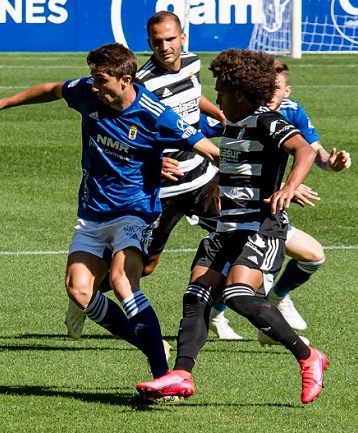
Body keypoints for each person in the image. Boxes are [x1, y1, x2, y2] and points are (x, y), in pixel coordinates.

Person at [0, 43, 220, 394]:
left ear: (126, 80)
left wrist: (252, 185)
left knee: (123, 283)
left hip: (135, 212)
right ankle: (151, 343)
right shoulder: (88, 93)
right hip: (92, 213)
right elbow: (52, 89)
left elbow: (210, 150)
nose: (93, 86)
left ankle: (162, 375)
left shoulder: (157, 115)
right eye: (93, 78)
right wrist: (0, 104)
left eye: (100, 80)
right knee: (79, 291)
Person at [136, 48, 329, 405]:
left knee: (238, 294)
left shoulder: (264, 120)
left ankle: (308, 356)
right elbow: (238, 168)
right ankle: (180, 374)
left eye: (221, 89)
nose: (216, 96)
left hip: (261, 227)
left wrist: (288, 186)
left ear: (239, 92)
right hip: (226, 227)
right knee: (195, 297)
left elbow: (303, 150)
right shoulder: (232, 124)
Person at [64, 10, 244, 342]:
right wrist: (156, 162)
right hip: (163, 187)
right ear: (149, 43)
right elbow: (130, 125)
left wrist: (215, 110)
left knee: (237, 239)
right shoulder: (141, 82)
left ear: (182, 38)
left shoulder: (192, 63)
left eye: (170, 39)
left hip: (201, 178)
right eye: (157, 42)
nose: (165, 47)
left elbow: (191, 94)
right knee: (144, 266)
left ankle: (218, 314)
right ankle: (87, 298)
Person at [200, 59, 352, 343]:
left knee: (313, 256)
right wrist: (216, 181)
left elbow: (312, 152)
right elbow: (231, 153)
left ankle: (275, 301)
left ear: (287, 90)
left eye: (276, 88)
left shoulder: (290, 113)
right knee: (242, 274)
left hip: (267, 209)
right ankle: (232, 317)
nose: (270, 94)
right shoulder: (239, 112)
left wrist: (331, 164)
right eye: (265, 88)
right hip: (243, 209)